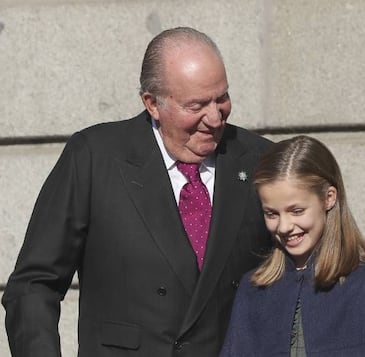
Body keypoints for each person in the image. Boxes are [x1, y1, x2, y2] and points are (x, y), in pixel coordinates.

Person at [2, 27, 273, 356]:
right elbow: (34, 284)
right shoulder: (95, 157)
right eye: (197, 105)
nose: (215, 118)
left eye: (222, 98)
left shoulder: (261, 160)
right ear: (153, 104)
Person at [220, 135, 365, 357]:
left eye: (297, 211)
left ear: (329, 198)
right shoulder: (253, 290)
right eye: (271, 213)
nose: (284, 226)